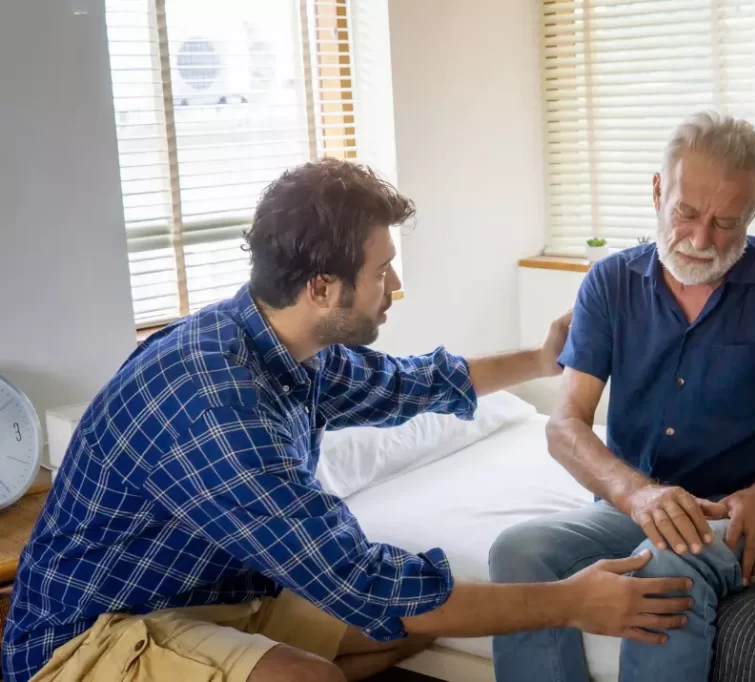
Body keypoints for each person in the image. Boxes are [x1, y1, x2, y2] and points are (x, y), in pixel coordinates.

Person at [1, 159, 695, 682]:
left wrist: (543, 359)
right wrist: (569, 603)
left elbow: (410, 385)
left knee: (412, 626)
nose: (395, 288)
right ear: (322, 287)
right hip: (86, 640)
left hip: (209, 600)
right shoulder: (218, 405)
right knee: (317, 673)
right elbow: (363, 583)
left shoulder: (282, 344)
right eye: (384, 271)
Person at [489, 111, 755, 682]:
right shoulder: (609, 283)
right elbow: (565, 423)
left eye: (726, 222)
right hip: (640, 506)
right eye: (686, 213)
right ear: (656, 190)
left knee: (671, 566)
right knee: (517, 553)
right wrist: (636, 495)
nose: (700, 240)